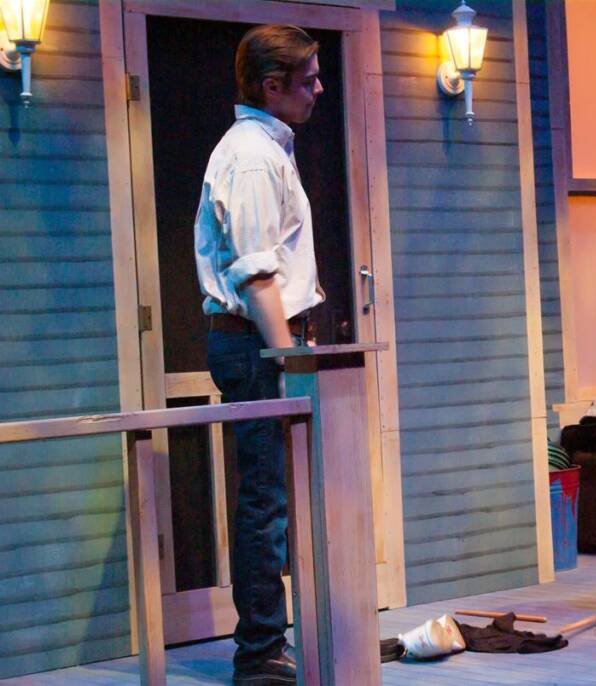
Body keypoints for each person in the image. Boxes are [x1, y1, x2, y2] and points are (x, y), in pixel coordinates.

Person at [194, 24, 324, 684]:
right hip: (255, 347)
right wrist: (288, 358)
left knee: (274, 501)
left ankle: (276, 641)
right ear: (272, 87)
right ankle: (260, 654)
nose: (318, 89)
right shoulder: (251, 155)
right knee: (265, 504)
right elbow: (254, 272)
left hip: (268, 344)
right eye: (308, 80)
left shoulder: (268, 147)